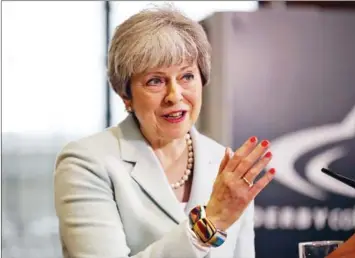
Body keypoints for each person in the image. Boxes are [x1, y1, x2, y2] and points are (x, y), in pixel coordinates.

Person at [54, 6, 275, 258]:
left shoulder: (226, 167)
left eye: (187, 76)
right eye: (155, 81)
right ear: (125, 95)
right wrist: (208, 224)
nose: (174, 95)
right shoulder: (86, 162)